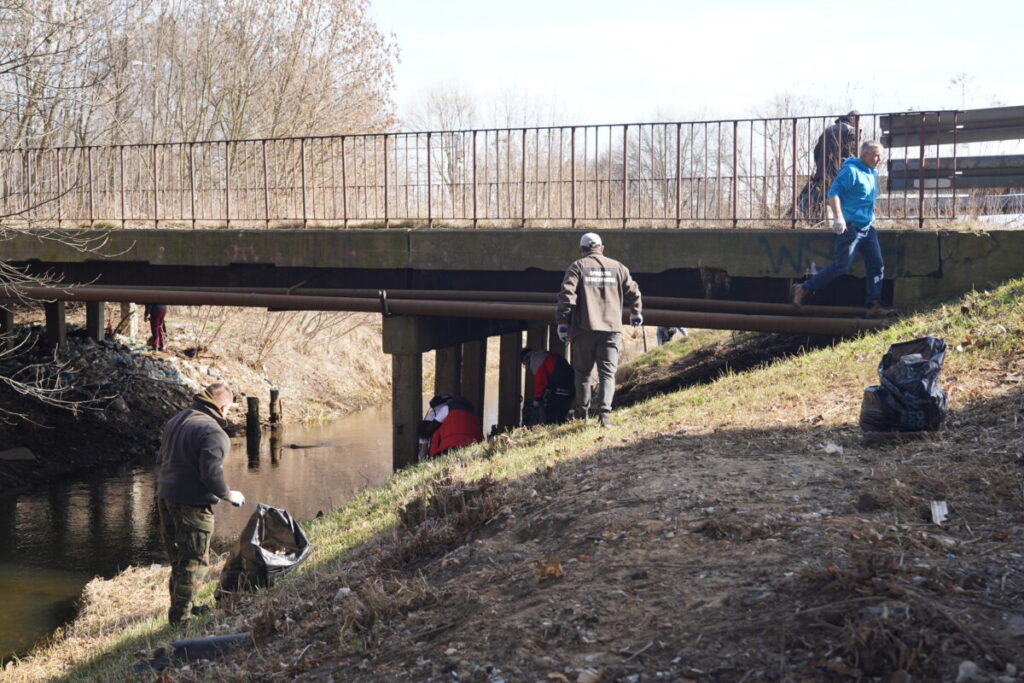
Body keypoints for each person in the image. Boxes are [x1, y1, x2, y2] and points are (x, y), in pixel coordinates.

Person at [155, 382, 245, 625]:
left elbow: (160, 458)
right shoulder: (213, 432)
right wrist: (228, 494)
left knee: (178, 560)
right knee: (194, 562)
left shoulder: (176, 420)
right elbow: (210, 475)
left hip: (165, 498)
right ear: (223, 407)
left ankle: (188, 605)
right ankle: (179, 620)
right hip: (192, 504)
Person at [556, 232, 643, 428]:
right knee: (607, 374)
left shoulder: (577, 267)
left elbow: (566, 296)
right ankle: (605, 415)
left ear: (582, 250)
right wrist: (635, 313)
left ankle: (582, 414)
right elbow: (634, 292)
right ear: (602, 248)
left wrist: (562, 322)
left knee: (583, 374)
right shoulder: (618, 267)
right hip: (612, 330)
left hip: (584, 329)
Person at [792, 140, 886, 311]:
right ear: (864, 155)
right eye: (875, 155)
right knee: (841, 266)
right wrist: (838, 218)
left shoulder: (872, 173)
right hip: (850, 227)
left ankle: (873, 303)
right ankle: (805, 287)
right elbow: (833, 194)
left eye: (880, 155)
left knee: (876, 264)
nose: (879, 159)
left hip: (867, 227)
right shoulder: (851, 171)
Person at [797, 111, 861, 217]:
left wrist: (821, 167)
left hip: (823, 172)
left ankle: (813, 219)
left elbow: (816, 151)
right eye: (858, 119)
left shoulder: (828, 129)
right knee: (842, 201)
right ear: (852, 118)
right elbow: (853, 154)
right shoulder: (851, 131)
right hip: (842, 172)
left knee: (819, 199)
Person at [417, 395, 483, 460]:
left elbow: (429, 430)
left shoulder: (446, 409)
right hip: (474, 447)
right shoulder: (471, 413)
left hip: (449, 448)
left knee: (435, 432)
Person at [520, 348, 575, 426]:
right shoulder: (542, 354)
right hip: (569, 382)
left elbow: (541, 383)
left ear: (526, 359)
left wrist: (537, 400)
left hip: (562, 384)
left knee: (551, 414)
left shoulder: (535, 361)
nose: (526, 367)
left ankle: (552, 429)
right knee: (561, 414)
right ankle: (560, 427)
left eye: (524, 364)